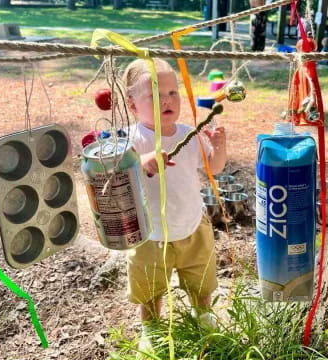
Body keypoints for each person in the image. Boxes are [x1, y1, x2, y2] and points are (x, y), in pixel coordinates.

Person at [122, 58, 227, 352]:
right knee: (150, 287)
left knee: (200, 279)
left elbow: (214, 168)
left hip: (193, 226)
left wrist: (219, 145)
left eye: (172, 93)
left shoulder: (188, 135)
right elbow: (117, 174)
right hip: (150, 235)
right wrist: (140, 162)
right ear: (132, 106)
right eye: (155, 95)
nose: (167, 100)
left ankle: (203, 314)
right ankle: (151, 328)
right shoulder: (133, 138)